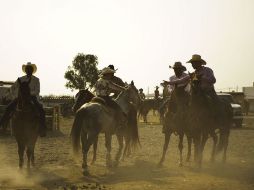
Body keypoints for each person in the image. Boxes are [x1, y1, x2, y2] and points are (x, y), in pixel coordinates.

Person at [0, 62, 46, 137]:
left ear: (32, 70)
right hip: (20, 97)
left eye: (30, 69)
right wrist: (15, 95)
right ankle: (3, 126)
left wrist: (28, 93)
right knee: (8, 108)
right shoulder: (20, 79)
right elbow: (13, 87)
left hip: (32, 98)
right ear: (25, 70)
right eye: (27, 69)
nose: (28, 70)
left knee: (41, 110)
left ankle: (42, 129)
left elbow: (37, 91)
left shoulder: (36, 80)